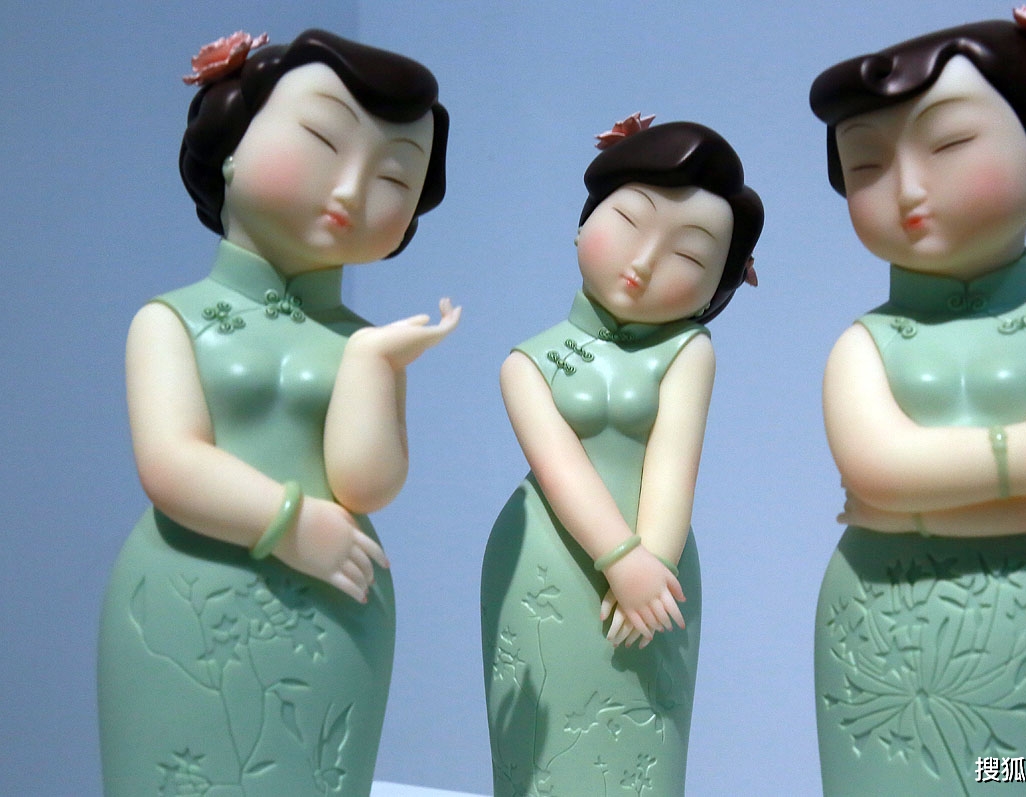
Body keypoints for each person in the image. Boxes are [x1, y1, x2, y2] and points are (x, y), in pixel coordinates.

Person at [98, 29, 457, 796]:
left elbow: (367, 484)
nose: (351, 191)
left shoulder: (367, 343)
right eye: (323, 141)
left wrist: (371, 364)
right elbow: (169, 461)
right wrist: (291, 521)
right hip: (190, 595)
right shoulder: (170, 319)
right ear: (232, 144)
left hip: (336, 603)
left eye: (394, 176)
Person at [809, 8, 1026, 794]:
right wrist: (1019, 459)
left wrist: (901, 503)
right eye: (866, 164)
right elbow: (875, 465)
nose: (909, 189)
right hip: (878, 622)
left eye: (949, 143)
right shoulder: (861, 344)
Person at [481, 115, 762, 796]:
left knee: (641, 735)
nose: (643, 262)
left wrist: (652, 562)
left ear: (718, 284)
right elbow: (559, 467)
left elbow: (674, 464)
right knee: (542, 741)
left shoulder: (689, 351)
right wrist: (620, 558)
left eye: (688, 256)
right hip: (545, 560)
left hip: (657, 573)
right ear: (584, 223)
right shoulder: (527, 361)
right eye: (628, 223)